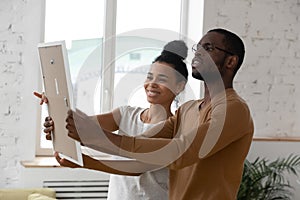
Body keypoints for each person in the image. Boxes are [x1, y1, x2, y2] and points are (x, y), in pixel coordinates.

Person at [36, 40, 189, 200]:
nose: (152, 84)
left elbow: (137, 167)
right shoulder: (125, 114)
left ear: (179, 86)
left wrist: (84, 162)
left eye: (162, 79)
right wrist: (54, 105)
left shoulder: (175, 129)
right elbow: (80, 127)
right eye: (149, 77)